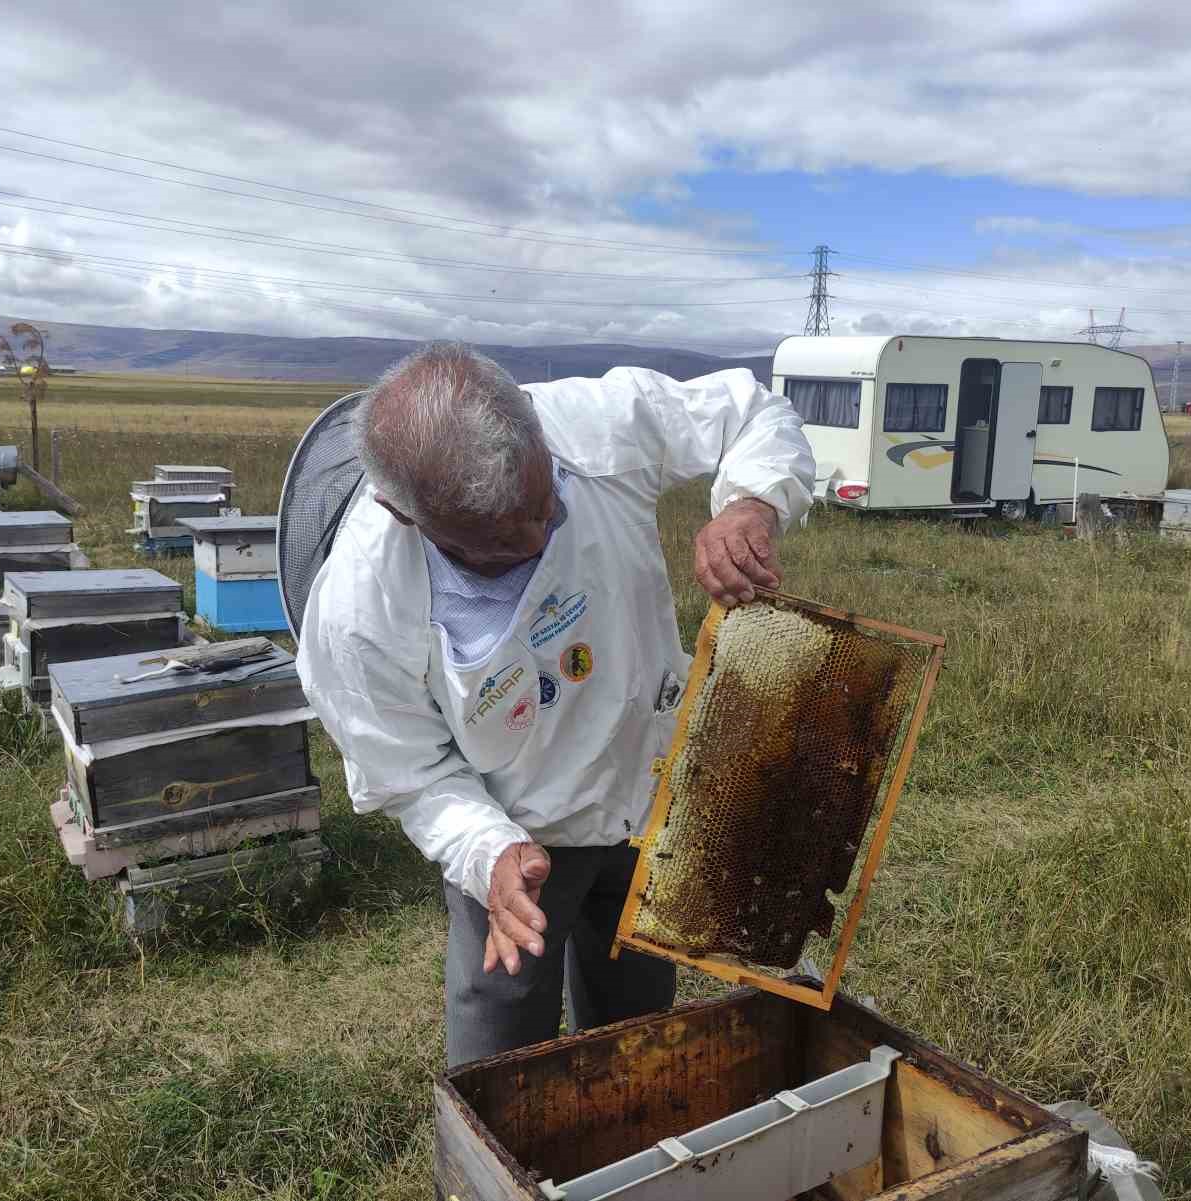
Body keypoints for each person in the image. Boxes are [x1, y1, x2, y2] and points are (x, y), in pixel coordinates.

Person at [296, 342, 814, 1065]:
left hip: (647, 791)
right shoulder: (357, 612)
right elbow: (409, 772)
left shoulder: (593, 422)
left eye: (548, 509)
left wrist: (752, 503)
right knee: (501, 1051)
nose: (541, 537)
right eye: (502, 544)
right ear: (404, 514)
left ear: (537, 430)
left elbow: (755, 413)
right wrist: (488, 852)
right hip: (518, 840)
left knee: (635, 1015)